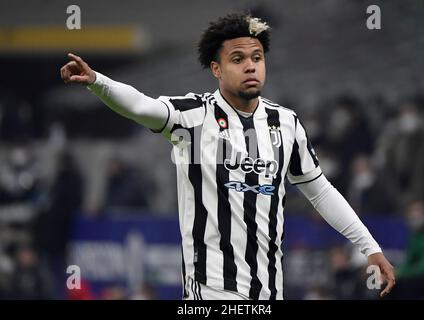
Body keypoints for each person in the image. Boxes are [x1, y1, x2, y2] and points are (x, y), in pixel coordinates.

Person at [60, 13, 395, 300]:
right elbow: (140, 105)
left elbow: (320, 192)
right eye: (238, 59)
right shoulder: (193, 116)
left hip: (268, 291)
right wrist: (96, 81)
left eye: (257, 57)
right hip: (211, 289)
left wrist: (370, 246)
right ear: (216, 69)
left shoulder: (286, 123)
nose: (250, 66)